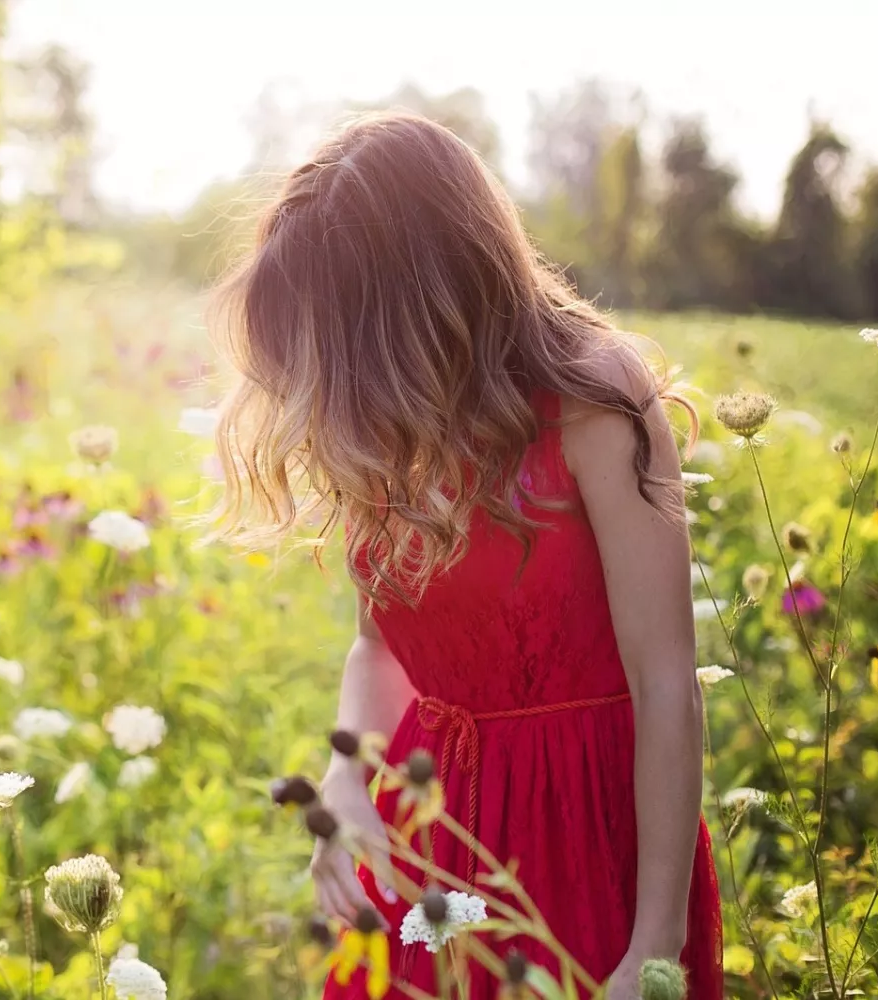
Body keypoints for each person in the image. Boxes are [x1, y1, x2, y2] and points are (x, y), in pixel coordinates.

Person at [207, 112, 720, 999]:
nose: (337, 379)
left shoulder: (595, 400)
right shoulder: (393, 432)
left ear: (424, 298)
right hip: (436, 835)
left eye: (347, 337)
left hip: (591, 837)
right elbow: (377, 646)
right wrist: (349, 777)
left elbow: (666, 680)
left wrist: (656, 946)